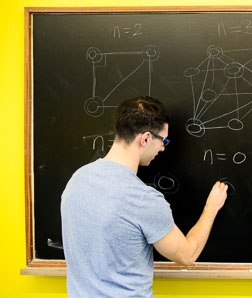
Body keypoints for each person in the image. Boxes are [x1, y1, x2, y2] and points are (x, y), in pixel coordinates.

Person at [61, 96, 228, 297]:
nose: (163, 148)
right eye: (163, 140)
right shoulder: (142, 199)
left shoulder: (77, 180)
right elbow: (187, 255)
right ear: (146, 138)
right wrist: (211, 207)